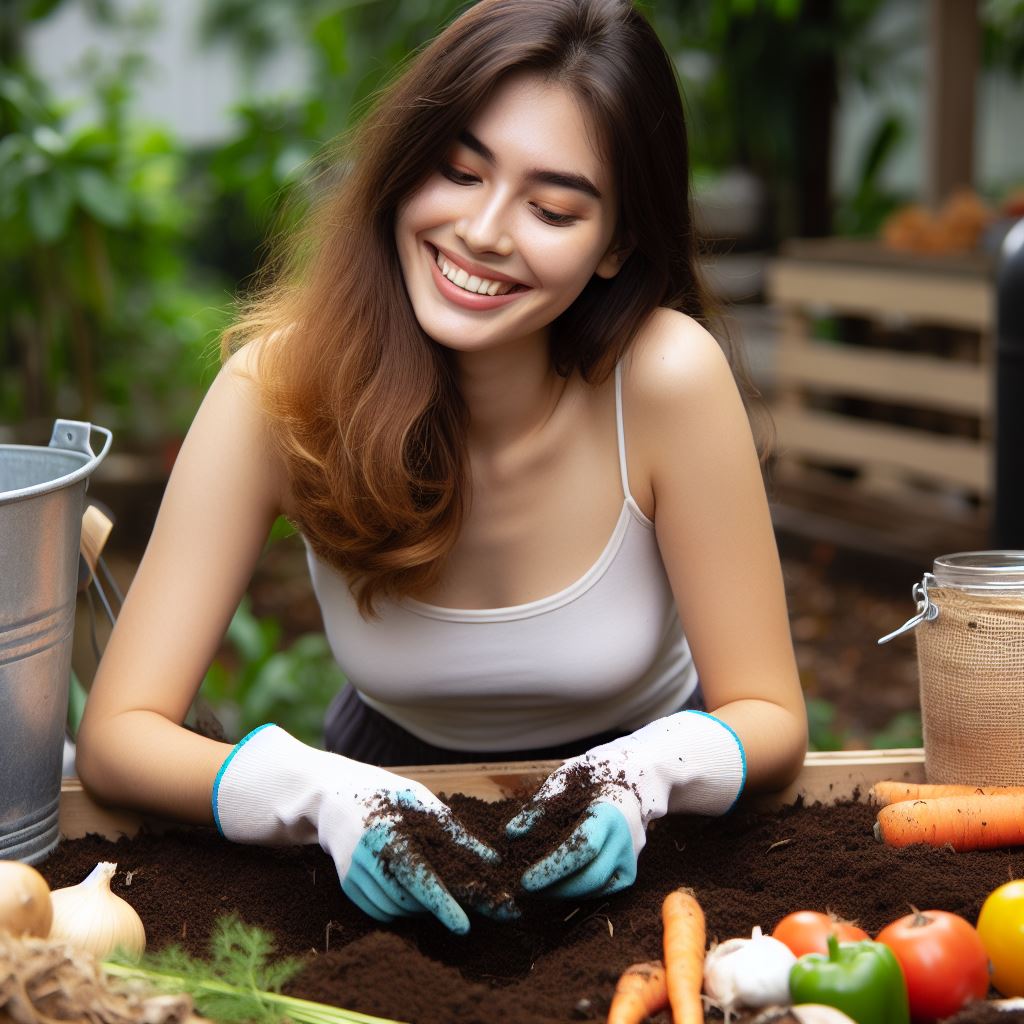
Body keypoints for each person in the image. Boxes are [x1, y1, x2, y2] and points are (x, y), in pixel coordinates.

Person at [76, 0, 807, 936]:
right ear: (404, 167)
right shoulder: (280, 388)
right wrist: (319, 794)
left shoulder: (666, 377)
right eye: (459, 171)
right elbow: (117, 736)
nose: (486, 231)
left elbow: (771, 717)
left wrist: (646, 771)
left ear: (617, 244)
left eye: (551, 208)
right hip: (382, 800)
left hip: (658, 817)